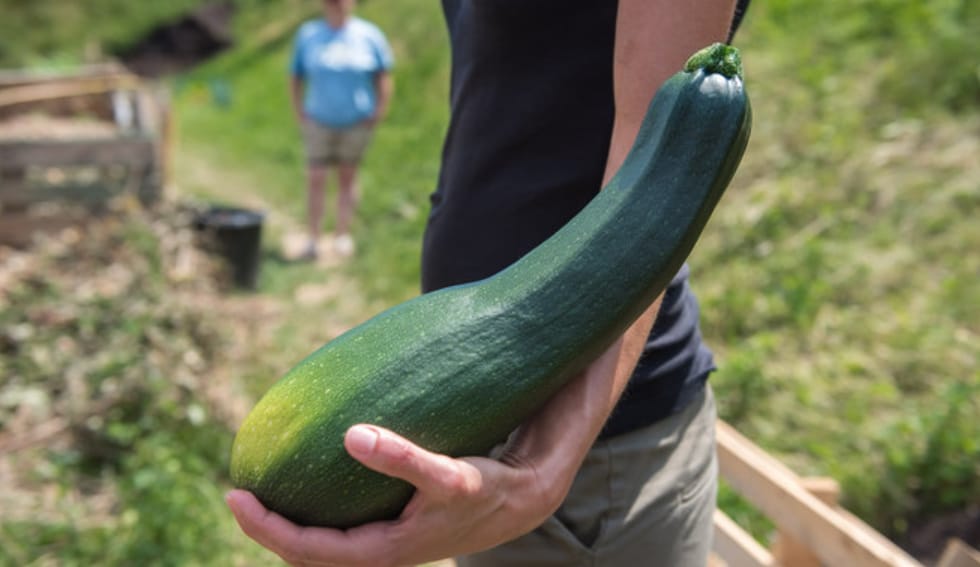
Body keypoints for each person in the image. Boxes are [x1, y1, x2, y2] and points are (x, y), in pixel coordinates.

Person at [228, 0, 751, 565]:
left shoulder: (702, 98)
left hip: (594, 448)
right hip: (471, 411)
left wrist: (545, 466)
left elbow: (653, 169)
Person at [290, 0, 393, 259]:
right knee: (316, 177)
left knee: (348, 176)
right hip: (318, 119)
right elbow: (296, 74)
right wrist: (298, 109)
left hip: (356, 120)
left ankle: (342, 234)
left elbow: (383, 75)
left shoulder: (369, 35)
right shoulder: (308, 34)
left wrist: (379, 109)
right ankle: (313, 237)